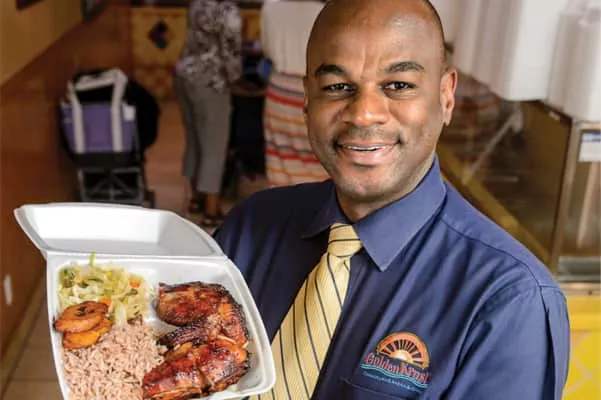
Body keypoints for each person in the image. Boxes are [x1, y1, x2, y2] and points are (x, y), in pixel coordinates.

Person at [215, 0, 570, 398]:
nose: (364, 113)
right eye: (337, 87)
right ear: (307, 99)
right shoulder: (249, 230)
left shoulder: (508, 301)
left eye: (398, 85)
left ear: (446, 96)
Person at [174, 0, 242, 226]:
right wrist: (237, 80)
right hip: (211, 82)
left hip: (185, 75)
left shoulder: (198, 2)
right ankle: (211, 210)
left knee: (194, 139)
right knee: (215, 145)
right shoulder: (228, 11)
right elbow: (231, 53)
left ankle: (196, 199)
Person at [260, 0, 330, 186]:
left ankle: (282, 201)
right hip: (314, 89)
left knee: (279, 156)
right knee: (319, 156)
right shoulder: (325, 12)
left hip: (279, 91)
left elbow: (266, 49)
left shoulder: (270, 7)